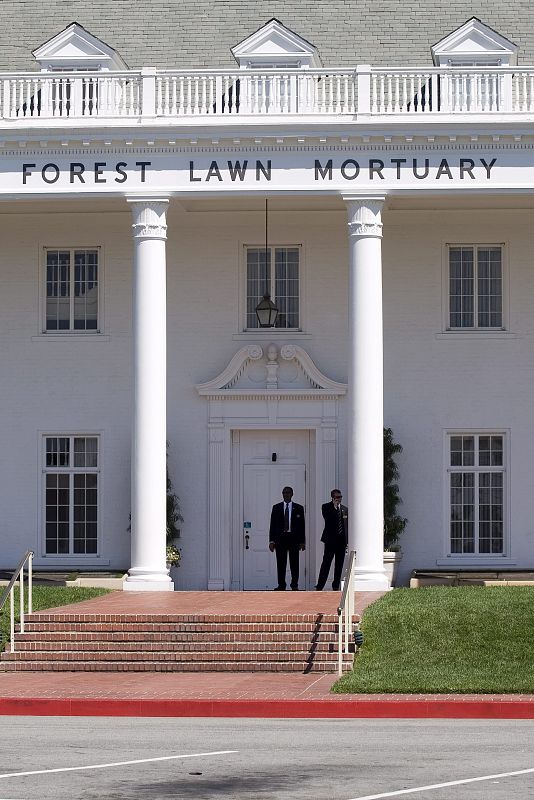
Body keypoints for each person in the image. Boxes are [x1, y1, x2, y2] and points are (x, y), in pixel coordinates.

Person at [268, 486, 305, 590]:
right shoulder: (276, 507)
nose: (286, 494)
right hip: (280, 539)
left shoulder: (299, 508)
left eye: (288, 492)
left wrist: (302, 541)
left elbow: (302, 526)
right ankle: (281, 585)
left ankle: (294, 585)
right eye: (284, 492)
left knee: (294, 563)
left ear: (292, 494)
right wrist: (271, 541)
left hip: (293, 539)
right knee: (281, 563)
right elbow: (273, 525)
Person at [315, 489, 348, 591]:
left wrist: (347, 541)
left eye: (340, 497)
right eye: (337, 497)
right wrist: (334, 507)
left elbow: (346, 526)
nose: (339, 499)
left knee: (339, 565)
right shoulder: (326, 507)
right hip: (330, 541)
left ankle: (335, 586)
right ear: (332, 498)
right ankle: (320, 586)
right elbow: (328, 519)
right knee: (326, 563)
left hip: (341, 542)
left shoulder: (344, 509)